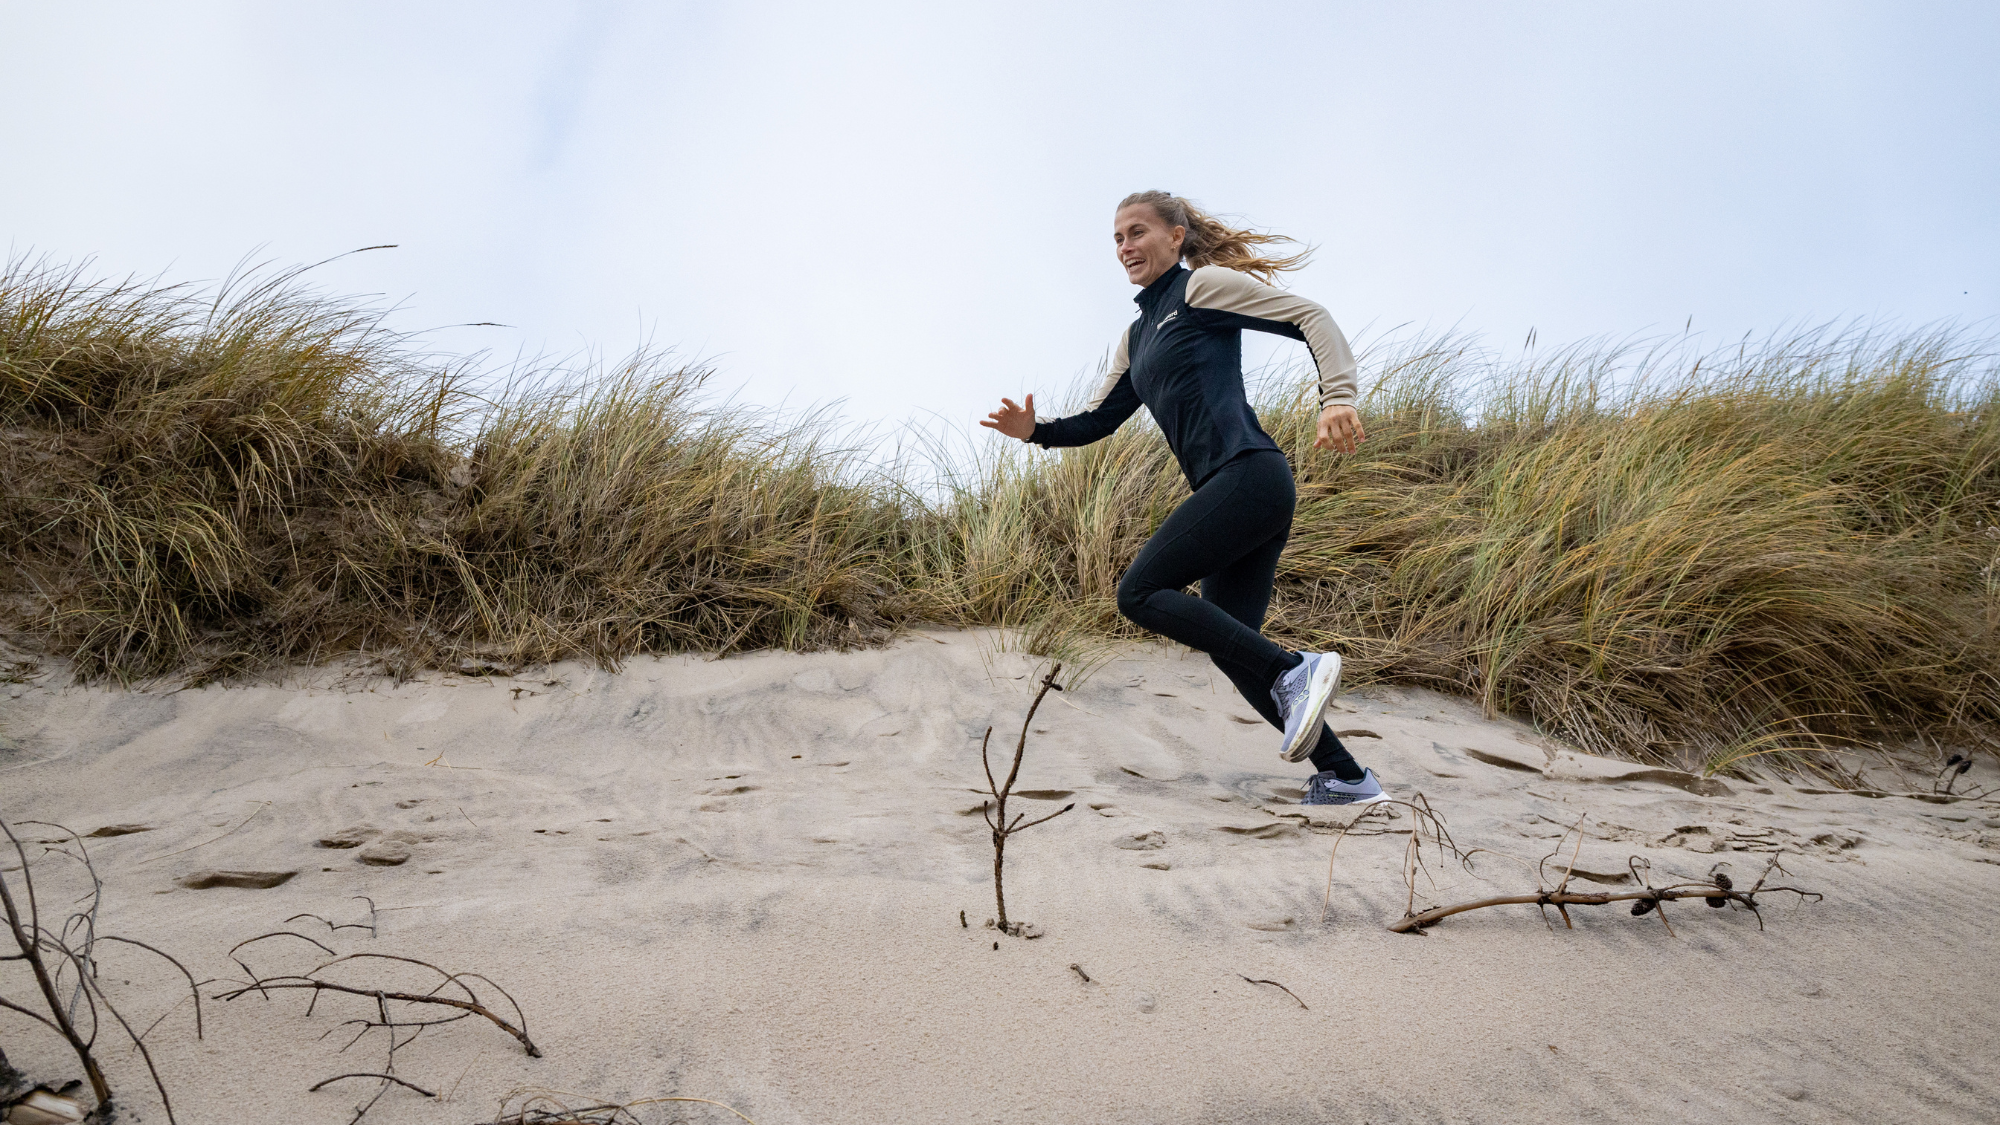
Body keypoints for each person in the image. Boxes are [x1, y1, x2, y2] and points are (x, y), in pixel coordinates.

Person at [980, 190, 1386, 807]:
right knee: (1235, 649)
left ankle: (1293, 669)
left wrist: (1339, 397)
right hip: (1235, 492)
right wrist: (1036, 433)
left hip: (1249, 475)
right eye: (1117, 239)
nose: (1125, 247)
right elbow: (1098, 420)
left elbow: (1310, 316)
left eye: (1136, 233)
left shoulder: (1201, 289)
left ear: (1175, 236)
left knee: (1139, 593)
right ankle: (1347, 777)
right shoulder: (1136, 338)